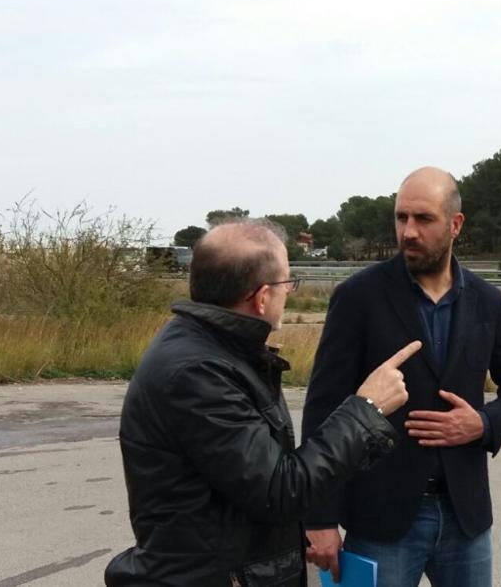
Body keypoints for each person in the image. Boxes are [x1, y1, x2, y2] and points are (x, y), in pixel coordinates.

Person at [105, 220, 423, 587]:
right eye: (287, 284)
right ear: (261, 297)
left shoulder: (215, 351)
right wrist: (366, 408)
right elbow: (280, 490)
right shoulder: (198, 374)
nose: (288, 293)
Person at [301, 167, 501, 587]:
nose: (408, 231)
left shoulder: (488, 302)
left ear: (455, 224)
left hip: (465, 519)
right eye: (401, 218)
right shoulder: (358, 297)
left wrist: (483, 424)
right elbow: (324, 407)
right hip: (381, 520)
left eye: (423, 219)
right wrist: (319, 518)